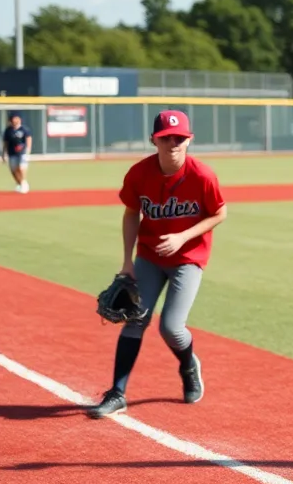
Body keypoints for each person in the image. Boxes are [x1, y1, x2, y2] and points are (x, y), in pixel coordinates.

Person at [87, 110, 229, 419]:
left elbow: (219, 213)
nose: (174, 143)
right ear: (154, 140)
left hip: (188, 259)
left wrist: (183, 237)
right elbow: (130, 213)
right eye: (167, 138)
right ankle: (117, 393)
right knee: (135, 318)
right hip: (149, 257)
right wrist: (127, 261)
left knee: (171, 327)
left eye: (180, 138)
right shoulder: (139, 173)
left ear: (189, 141)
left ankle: (189, 365)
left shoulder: (203, 176)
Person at [1, 112, 32, 193]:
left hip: (22, 153)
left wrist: (28, 151)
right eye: (13, 119)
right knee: (13, 170)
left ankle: (24, 183)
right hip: (12, 153)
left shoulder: (24, 129)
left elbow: (29, 139)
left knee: (21, 168)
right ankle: (19, 184)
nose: (15, 120)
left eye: (16, 118)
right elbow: (5, 142)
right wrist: (3, 153)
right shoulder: (8, 130)